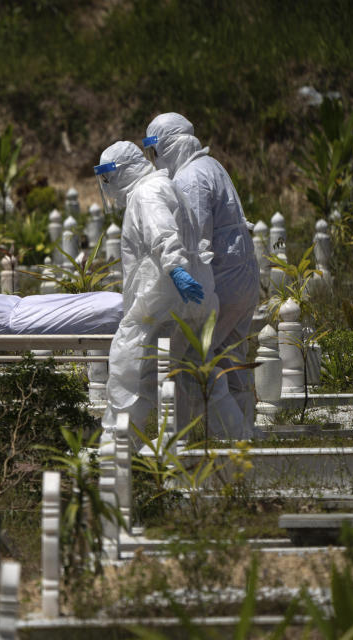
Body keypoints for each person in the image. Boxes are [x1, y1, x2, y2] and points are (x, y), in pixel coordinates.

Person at [95, 141, 245, 437]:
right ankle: (236, 436)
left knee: (131, 372)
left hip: (162, 302)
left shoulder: (146, 193)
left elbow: (162, 232)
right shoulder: (165, 184)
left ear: (123, 172)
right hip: (193, 297)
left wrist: (175, 269)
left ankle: (116, 447)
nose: (107, 186)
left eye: (108, 178)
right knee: (200, 373)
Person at [144, 113, 261, 427]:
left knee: (195, 361)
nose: (156, 161)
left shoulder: (190, 178)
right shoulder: (211, 165)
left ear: (169, 145)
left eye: (156, 151)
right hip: (242, 280)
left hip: (223, 283)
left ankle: (228, 439)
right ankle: (245, 441)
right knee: (231, 362)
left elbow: (193, 243)